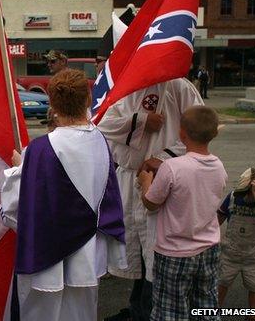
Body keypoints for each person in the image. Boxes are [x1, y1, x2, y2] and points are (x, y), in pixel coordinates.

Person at [98, 19, 204, 321]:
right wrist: (140, 122)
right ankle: (137, 307)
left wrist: (163, 159)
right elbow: (102, 123)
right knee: (137, 252)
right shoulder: (122, 88)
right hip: (130, 178)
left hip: (164, 181)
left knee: (157, 253)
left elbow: (200, 131)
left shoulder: (179, 87)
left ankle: (151, 312)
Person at [0, 69, 126, 320]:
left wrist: (18, 167)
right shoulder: (101, 141)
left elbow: (15, 207)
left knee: (39, 312)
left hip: (46, 256)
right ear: (88, 100)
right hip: (87, 256)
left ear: (53, 103)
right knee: (82, 312)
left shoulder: (40, 149)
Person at [138, 106, 227, 321]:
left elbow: (151, 203)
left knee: (171, 310)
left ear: (181, 133)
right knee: (205, 305)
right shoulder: (219, 167)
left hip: (174, 253)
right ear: (215, 134)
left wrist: (145, 182)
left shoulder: (172, 168)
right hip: (209, 250)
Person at [217, 165, 255, 321]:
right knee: (222, 282)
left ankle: (252, 315)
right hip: (230, 252)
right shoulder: (234, 196)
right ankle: (215, 312)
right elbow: (218, 218)